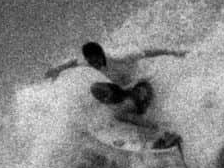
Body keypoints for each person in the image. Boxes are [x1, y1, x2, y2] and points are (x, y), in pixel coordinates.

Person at [44, 40, 186, 115]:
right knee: (96, 89)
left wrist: (173, 52)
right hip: (123, 91)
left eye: (97, 61)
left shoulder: (119, 56)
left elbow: (148, 52)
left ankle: (145, 120)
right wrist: (57, 69)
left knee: (132, 102)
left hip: (142, 87)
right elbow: (74, 61)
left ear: (102, 54)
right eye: (92, 63)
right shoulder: (89, 61)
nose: (96, 65)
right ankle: (124, 111)